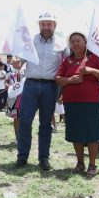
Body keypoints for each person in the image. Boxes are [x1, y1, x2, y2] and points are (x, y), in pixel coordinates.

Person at [15, 12, 68, 171]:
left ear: (55, 25)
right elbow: (19, 62)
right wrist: (17, 62)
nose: (46, 27)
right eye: (43, 24)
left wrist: (63, 89)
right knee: (24, 121)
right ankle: (22, 156)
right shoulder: (29, 41)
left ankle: (43, 158)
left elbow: (67, 66)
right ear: (39, 25)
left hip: (50, 87)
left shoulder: (62, 44)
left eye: (49, 24)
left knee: (46, 124)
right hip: (30, 85)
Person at [56, 31, 99, 177]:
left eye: (78, 40)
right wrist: (70, 80)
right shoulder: (67, 61)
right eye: (72, 41)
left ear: (86, 43)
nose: (75, 43)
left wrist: (91, 70)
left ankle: (92, 165)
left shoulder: (95, 58)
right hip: (71, 102)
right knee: (76, 133)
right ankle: (80, 163)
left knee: (92, 134)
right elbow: (58, 79)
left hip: (91, 102)